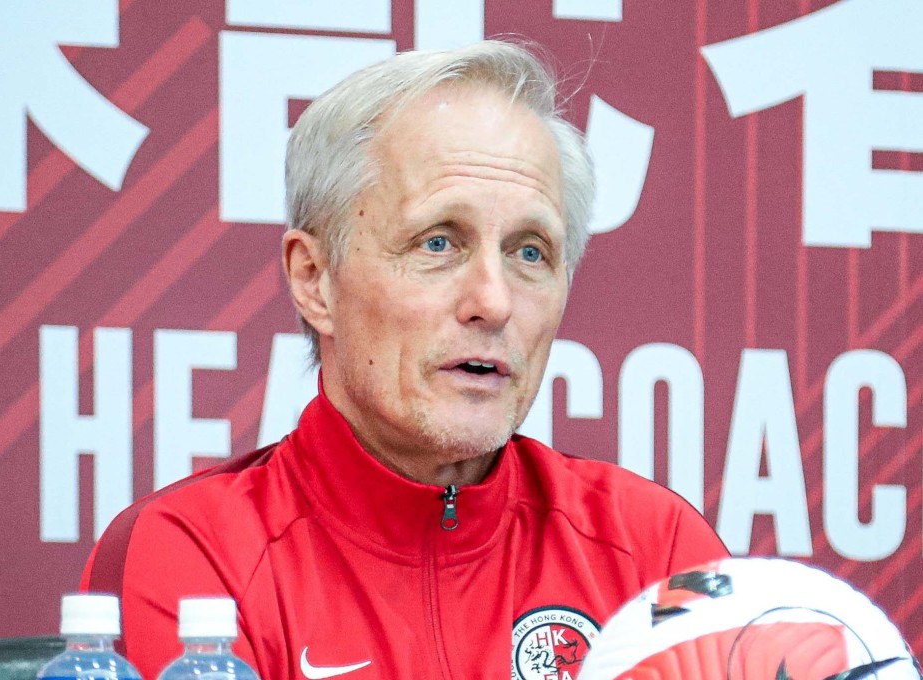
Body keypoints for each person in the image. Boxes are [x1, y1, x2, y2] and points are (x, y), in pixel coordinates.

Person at [81, 40, 728, 680]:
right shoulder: (196, 554)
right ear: (315, 280)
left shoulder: (653, 551)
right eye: (438, 242)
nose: (493, 303)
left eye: (531, 252)